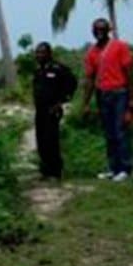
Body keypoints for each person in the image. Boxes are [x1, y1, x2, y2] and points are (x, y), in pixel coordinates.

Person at [79, 18, 133, 181]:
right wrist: (85, 103)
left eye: (102, 29)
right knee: (109, 132)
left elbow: (129, 74)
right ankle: (113, 167)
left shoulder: (120, 47)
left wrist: (132, 99)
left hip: (119, 92)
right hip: (102, 94)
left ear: (108, 30)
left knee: (120, 131)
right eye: (96, 30)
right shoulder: (91, 53)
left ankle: (125, 168)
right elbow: (90, 79)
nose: (99, 33)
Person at [32, 42, 78, 180]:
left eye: (42, 52)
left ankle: (55, 172)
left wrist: (61, 102)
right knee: (41, 141)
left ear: (49, 53)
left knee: (51, 140)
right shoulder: (38, 71)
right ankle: (45, 171)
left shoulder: (58, 69)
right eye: (37, 52)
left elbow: (72, 84)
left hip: (53, 109)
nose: (39, 55)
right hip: (40, 110)